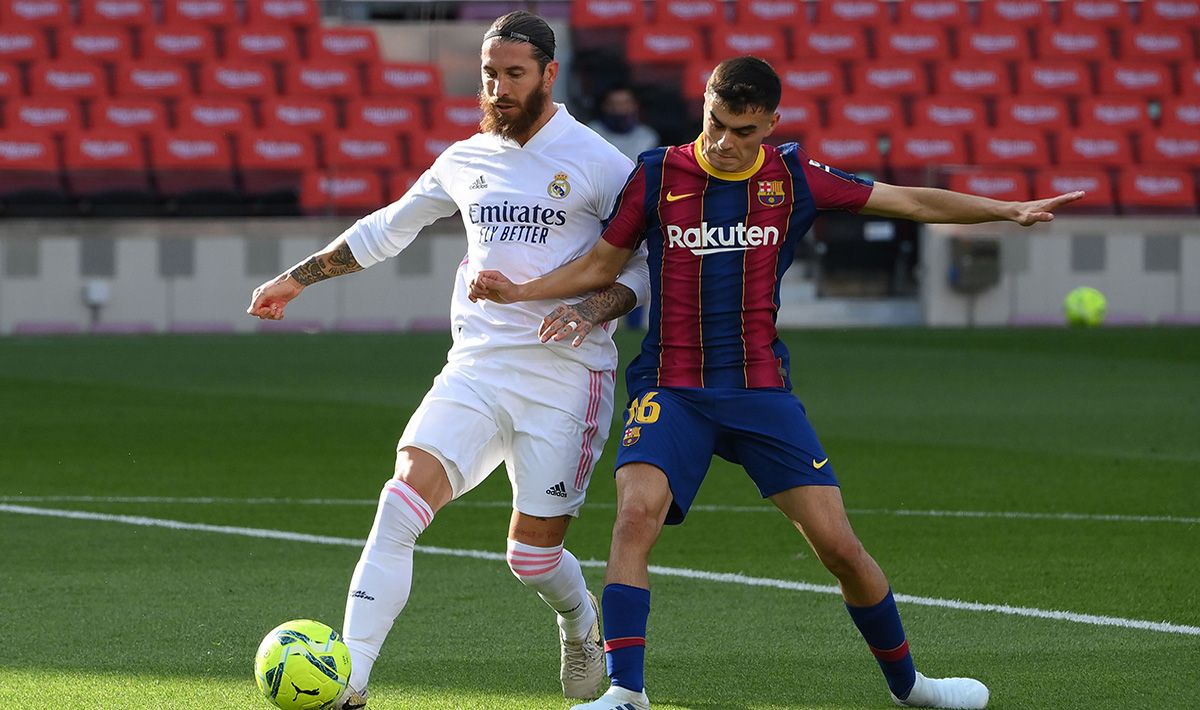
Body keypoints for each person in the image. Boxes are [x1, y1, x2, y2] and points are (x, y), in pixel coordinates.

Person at [468, 56, 1085, 710]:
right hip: (671, 387)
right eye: (716, 124)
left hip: (759, 389)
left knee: (839, 548)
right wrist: (523, 291)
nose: (725, 143)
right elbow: (601, 262)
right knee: (634, 517)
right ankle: (627, 692)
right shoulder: (657, 174)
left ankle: (913, 687)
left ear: (770, 126)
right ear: (704, 104)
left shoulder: (795, 177)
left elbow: (908, 200)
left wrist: (1009, 210)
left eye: (743, 131)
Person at [246, 12, 650, 709]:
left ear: (549, 75)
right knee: (400, 501)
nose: (497, 88)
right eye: (489, 74)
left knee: (530, 559)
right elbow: (388, 228)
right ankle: (353, 679)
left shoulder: (599, 162)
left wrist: (588, 311)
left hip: (566, 378)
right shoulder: (467, 158)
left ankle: (579, 621)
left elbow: (645, 268)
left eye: (514, 75)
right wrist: (297, 278)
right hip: (477, 365)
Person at [587, 85, 660, 163]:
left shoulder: (648, 137)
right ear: (604, 106)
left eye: (625, 103)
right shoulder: (590, 132)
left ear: (635, 105)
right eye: (614, 103)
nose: (620, 109)